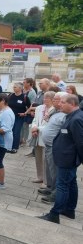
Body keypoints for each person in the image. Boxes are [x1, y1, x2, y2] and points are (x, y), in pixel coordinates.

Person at [38, 94, 83, 224]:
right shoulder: (71, 116)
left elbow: (80, 142)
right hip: (66, 157)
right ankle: (69, 210)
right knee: (71, 184)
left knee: (62, 185)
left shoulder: (76, 119)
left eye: (63, 102)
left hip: (67, 159)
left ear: (72, 104)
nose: (59, 104)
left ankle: (54, 214)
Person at [39, 92, 67, 204]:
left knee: (55, 171)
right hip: (48, 145)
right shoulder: (55, 111)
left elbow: (66, 132)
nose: (53, 101)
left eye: (56, 99)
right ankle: (50, 188)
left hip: (55, 146)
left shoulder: (65, 115)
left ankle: (54, 193)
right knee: (49, 169)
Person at [30, 91, 55, 185]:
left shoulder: (54, 110)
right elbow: (35, 119)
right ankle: (39, 177)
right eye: (44, 98)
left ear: (53, 100)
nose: (44, 100)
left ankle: (46, 181)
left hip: (46, 138)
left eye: (47, 98)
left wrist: (38, 128)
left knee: (46, 160)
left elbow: (51, 125)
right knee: (38, 158)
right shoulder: (39, 108)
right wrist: (33, 127)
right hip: (36, 136)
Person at [0, 93, 15, 189]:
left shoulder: (7, 113)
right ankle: (0, 181)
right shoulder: (0, 110)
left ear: (3, 101)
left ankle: (1, 183)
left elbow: (5, 129)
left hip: (2, 142)